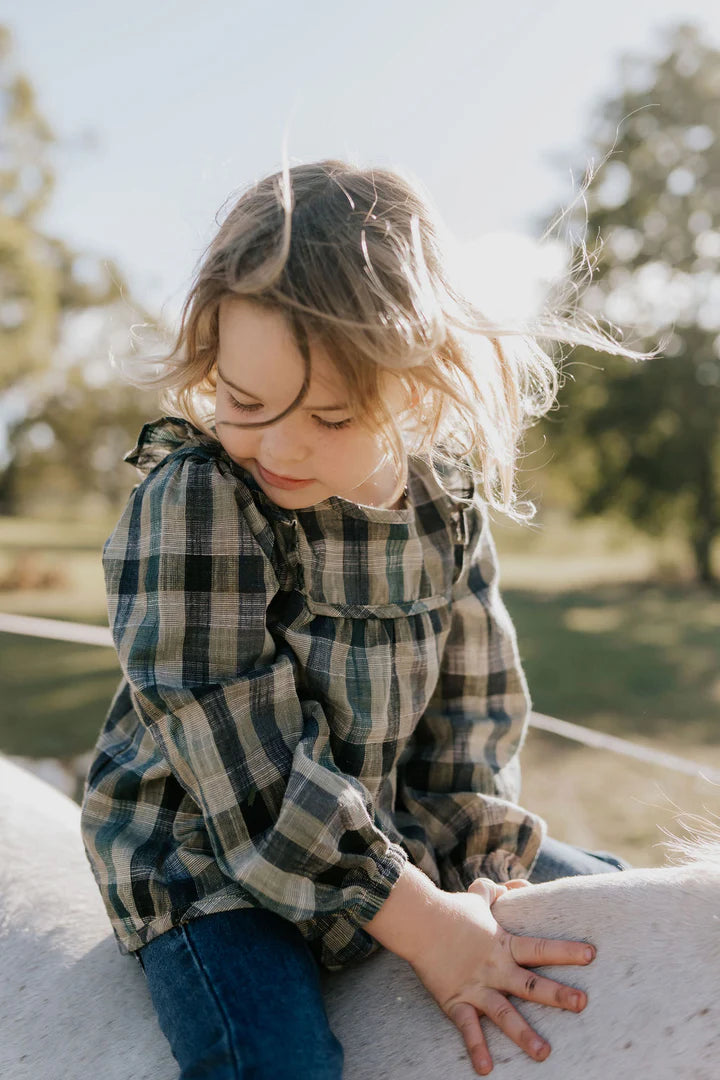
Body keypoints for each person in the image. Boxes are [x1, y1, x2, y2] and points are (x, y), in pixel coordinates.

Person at [80, 158, 649, 1080]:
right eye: (245, 402)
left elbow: (475, 713)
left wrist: (489, 877)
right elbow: (252, 774)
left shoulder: (445, 506)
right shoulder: (198, 502)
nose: (279, 445)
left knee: (624, 918)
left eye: (334, 417)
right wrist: (423, 923)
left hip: (390, 828)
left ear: (414, 387)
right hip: (213, 863)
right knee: (279, 1064)